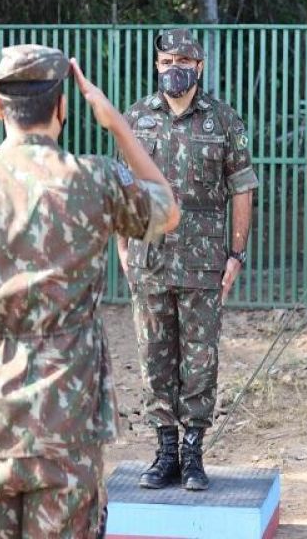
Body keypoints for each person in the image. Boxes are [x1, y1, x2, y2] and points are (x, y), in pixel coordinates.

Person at [0, 44, 179, 538]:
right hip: (68, 429)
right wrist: (117, 123)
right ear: (63, 107)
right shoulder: (95, 179)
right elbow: (168, 208)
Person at [117, 29, 259, 491]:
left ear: (198, 66)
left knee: (199, 360)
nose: (171, 69)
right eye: (164, 61)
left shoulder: (224, 121)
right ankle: (166, 452)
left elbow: (242, 187)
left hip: (203, 264)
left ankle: (194, 451)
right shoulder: (136, 118)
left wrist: (236, 253)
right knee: (155, 358)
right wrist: (123, 245)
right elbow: (124, 187)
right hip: (149, 259)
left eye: (180, 60)